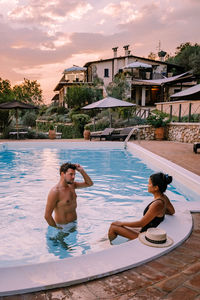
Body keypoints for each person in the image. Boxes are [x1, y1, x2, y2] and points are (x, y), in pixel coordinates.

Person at [108, 172, 175, 242]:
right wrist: (160, 212)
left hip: (147, 236)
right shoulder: (164, 198)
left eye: (149, 184)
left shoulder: (157, 204)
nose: (147, 185)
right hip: (148, 230)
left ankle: (111, 246)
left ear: (156, 188)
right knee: (118, 226)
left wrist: (121, 223)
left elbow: (141, 223)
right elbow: (172, 211)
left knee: (113, 227)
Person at [44, 162, 93, 229]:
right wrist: (57, 229)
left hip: (74, 224)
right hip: (62, 227)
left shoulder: (72, 185)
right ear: (62, 174)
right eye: (71, 174)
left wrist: (81, 171)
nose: (73, 177)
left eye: (74, 174)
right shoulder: (55, 192)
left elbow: (89, 184)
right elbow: (47, 216)